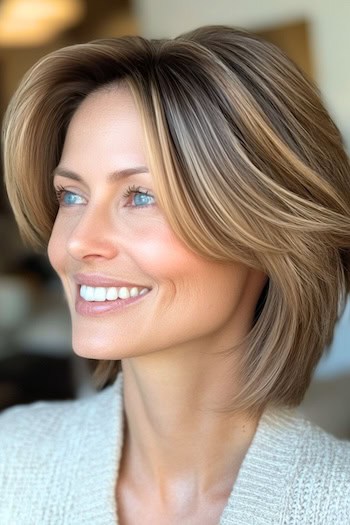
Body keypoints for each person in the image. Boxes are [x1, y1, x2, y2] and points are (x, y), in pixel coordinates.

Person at [1, 24, 350, 524]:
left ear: (265, 232)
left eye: (141, 196)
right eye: (70, 196)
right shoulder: (12, 463)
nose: (76, 240)